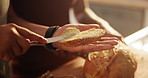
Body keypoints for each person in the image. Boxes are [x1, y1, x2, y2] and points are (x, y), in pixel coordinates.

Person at [6, 0, 121, 78]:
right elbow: (9, 19)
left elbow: (81, 11)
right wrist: (52, 35)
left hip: (68, 54)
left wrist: (104, 25)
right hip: (30, 64)